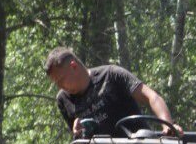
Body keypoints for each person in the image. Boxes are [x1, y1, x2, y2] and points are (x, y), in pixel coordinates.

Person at [45, 47, 177, 137]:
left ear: (73, 66)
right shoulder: (63, 100)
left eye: (61, 80)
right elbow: (78, 142)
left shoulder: (112, 75)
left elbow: (152, 97)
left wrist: (168, 126)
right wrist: (77, 132)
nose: (60, 86)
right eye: (56, 83)